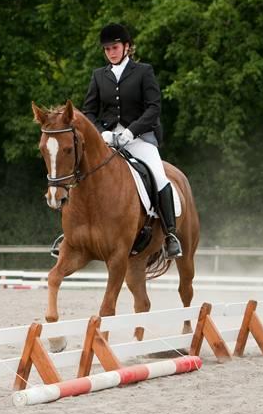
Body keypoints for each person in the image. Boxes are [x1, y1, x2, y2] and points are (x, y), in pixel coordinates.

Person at [51, 23, 182, 259]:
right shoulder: (99, 76)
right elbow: (89, 111)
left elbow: (153, 108)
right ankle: (69, 233)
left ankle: (170, 233)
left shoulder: (143, 71)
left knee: (159, 175)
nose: (111, 52)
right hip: (107, 138)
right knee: (79, 174)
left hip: (139, 137)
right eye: (107, 49)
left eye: (115, 47)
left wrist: (131, 131)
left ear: (126, 47)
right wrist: (100, 132)